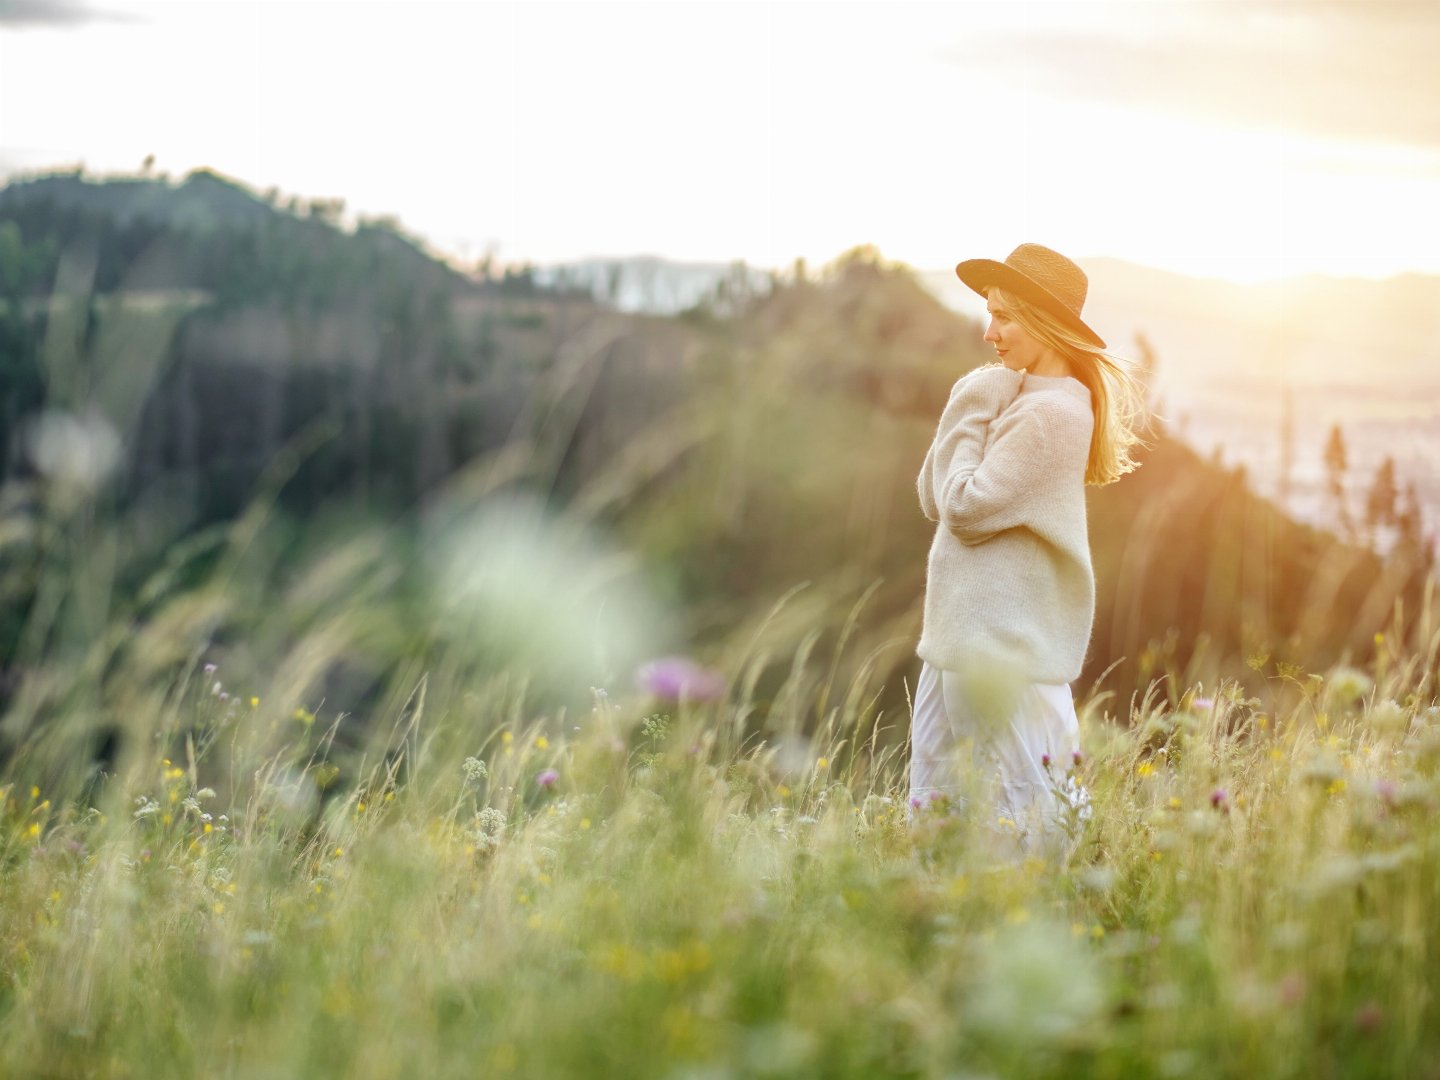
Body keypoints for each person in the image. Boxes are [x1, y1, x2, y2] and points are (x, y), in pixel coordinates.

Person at [909, 242, 1145, 859]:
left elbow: (959, 507)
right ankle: (942, 931)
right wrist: (979, 404)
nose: (990, 333)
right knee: (941, 807)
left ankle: (1021, 928)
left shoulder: (1049, 415)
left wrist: (969, 401)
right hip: (962, 639)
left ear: (1044, 323)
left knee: (1017, 816)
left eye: (1004, 317)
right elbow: (932, 496)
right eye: (989, 315)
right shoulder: (1014, 399)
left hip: (998, 647)